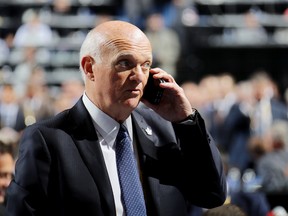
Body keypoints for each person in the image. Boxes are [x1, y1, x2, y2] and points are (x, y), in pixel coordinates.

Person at [5, 20, 226, 216]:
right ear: (89, 68)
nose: (139, 76)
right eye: (125, 63)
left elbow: (211, 195)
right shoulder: (48, 140)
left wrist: (186, 120)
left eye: (146, 64)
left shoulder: (167, 128)